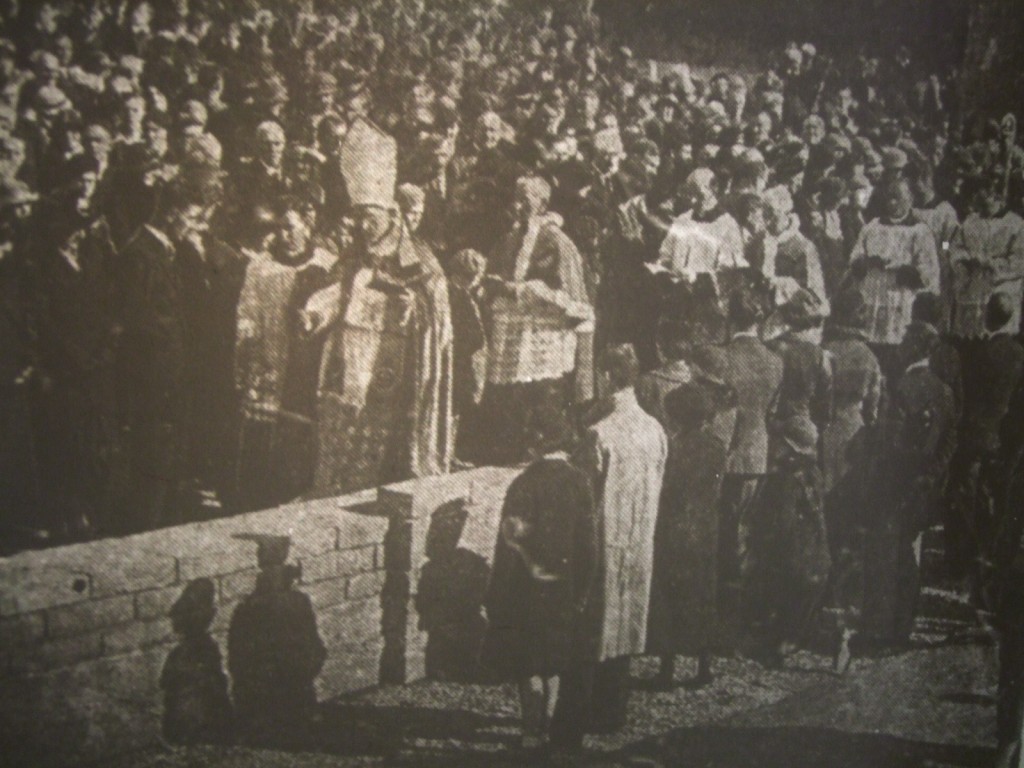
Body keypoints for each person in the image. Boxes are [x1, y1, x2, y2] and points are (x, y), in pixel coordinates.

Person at [304, 118, 453, 496]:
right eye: (359, 217)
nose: (362, 226)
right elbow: (339, 291)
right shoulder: (356, 253)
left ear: (389, 214)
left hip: (393, 370)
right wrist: (315, 313)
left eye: (369, 217)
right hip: (347, 363)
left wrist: (412, 305)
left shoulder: (418, 258)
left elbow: (435, 309)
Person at [550, 344, 666, 753]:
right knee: (625, 622)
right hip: (638, 540)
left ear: (605, 377)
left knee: (591, 630)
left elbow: (582, 496)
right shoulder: (654, 429)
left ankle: (573, 725)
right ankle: (612, 711)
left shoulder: (601, 433)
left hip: (603, 541)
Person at [481, 415, 596, 751]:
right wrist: (583, 589)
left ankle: (531, 732)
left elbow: (509, 546)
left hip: (526, 586)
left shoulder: (523, 484)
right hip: (564, 586)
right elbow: (589, 545)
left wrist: (496, 592)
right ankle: (549, 723)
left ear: (539, 443)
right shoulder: (580, 482)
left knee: (528, 661)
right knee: (554, 660)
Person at [475, 174, 594, 465]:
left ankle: (546, 447)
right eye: (514, 199)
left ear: (541, 204)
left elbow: (573, 300)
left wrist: (520, 290)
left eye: (524, 201)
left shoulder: (557, 242)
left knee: (541, 394)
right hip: (512, 329)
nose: (516, 206)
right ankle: (514, 447)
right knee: (512, 395)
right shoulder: (508, 239)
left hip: (544, 333)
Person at [233, 204, 335, 510]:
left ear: (307, 225)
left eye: (291, 226)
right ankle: (253, 502)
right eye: (278, 227)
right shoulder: (260, 267)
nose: (284, 234)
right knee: (260, 436)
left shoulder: (326, 265)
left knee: (298, 437)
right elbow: (246, 315)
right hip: (268, 361)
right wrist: (249, 353)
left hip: (305, 366)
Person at [647, 379, 735, 689]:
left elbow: (665, 488)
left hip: (674, 525)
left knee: (670, 594)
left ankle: (667, 667)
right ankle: (703, 664)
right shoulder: (717, 447)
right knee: (702, 593)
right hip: (706, 525)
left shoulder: (673, 447)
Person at [227, 534, 326, 748]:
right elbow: (315, 646)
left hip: (271, 687)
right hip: (294, 685)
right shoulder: (299, 601)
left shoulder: (251, 607)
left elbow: (238, 654)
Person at [846, 177, 940, 379]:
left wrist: (902, 269)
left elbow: (929, 274)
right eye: (889, 198)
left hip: (900, 304)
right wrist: (869, 261)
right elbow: (855, 259)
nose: (892, 203)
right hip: (872, 301)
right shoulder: (872, 227)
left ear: (911, 199)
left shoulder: (920, 232)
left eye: (898, 198)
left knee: (895, 362)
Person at [161, 578, 233, 746]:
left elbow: (166, 684)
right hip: (198, 722)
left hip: (189, 722)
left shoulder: (181, 653)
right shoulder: (205, 648)